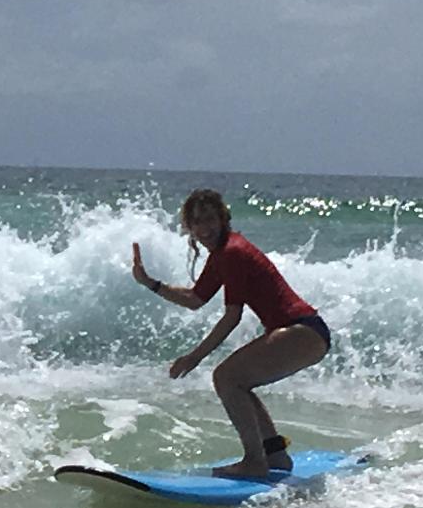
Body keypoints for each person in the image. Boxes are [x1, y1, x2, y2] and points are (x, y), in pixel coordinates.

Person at [131, 188, 331, 478]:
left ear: (223, 219)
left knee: (226, 378)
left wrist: (194, 357)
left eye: (210, 219)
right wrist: (150, 283)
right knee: (238, 382)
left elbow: (232, 316)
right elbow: (195, 299)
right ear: (188, 227)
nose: (204, 228)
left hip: (303, 331)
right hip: (305, 333)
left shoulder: (233, 252)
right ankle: (275, 456)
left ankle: (254, 462)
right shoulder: (221, 255)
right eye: (197, 222)